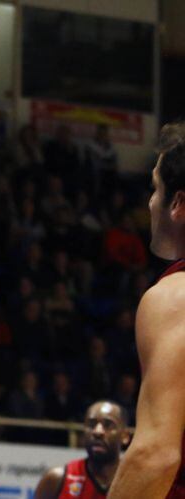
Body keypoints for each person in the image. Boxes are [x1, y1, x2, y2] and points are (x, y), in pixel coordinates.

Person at [108, 123, 185, 498]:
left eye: (155, 189)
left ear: (178, 204)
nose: (150, 202)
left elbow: (156, 455)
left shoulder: (176, 297)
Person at [35, 401, 129, 499]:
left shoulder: (135, 481)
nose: (98, 431)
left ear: (125, 436)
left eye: (108, 425)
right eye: (91, 425)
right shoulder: (56, 479)